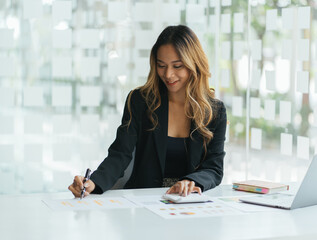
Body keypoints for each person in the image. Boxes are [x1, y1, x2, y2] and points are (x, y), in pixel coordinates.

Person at [68, 25, 227, 198]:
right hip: (144, 201)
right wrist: (93, 182)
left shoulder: (214, 111)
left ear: (194, 65)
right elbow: (121, 153)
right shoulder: (140, 100)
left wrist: (192, 181)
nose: (168, 74)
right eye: (161, 65)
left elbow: (214, 167)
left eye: (177, 66)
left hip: (188, 202)